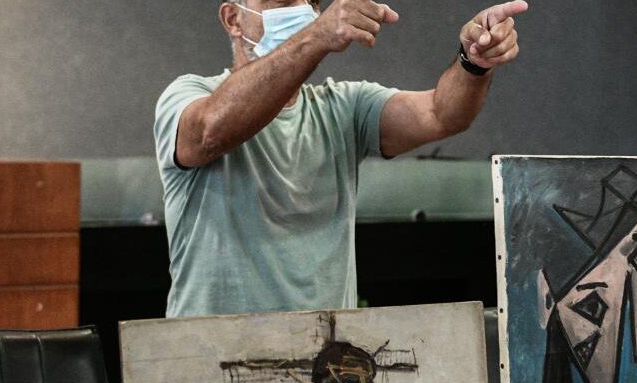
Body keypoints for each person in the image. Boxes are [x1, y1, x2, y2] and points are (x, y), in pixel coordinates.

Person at [154, 0, 527, 317]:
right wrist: (316, 36)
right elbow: (209, 132)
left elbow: (440, 114)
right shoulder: (188, 94)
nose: (301, 9)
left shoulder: (343, 107)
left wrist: (472, 63)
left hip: (323, 356)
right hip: (209, 354)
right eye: (282, 1)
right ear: (233, 19)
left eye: (310, 3)